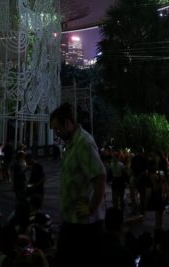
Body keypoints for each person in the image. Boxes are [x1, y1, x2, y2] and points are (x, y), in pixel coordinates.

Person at [50, 102, 106, 266]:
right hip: (73, 220)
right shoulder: (72, 143)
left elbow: (100, 176)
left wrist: (91, 208)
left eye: (57, 129)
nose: (56, 133)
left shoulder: (83, 143)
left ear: (68, 123)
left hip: (84, 225)